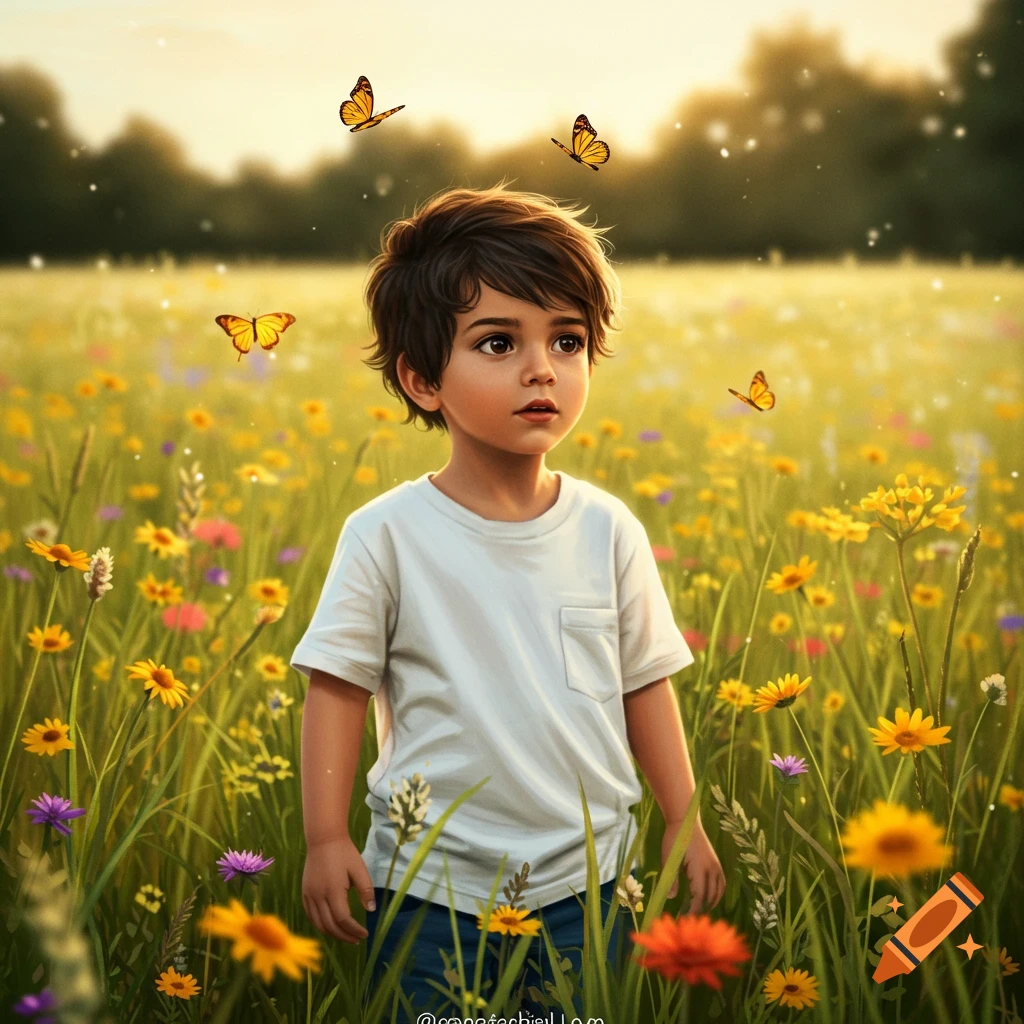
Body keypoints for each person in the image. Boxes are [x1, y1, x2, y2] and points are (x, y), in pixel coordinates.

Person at [291, 182, 725, 1020]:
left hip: (586, 883)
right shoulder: (387, 535)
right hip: (428, 887)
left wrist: (685, 818)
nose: (542, 369)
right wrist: (325, 835)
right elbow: (336, 688)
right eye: (498, 342)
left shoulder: (608, 530)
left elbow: (645, 685)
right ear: (421, 380)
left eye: (567, 341)